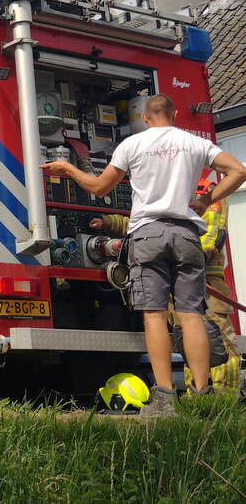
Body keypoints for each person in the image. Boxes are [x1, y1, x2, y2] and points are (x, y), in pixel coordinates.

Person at [42, 94, 246, 417]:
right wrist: (206, 199)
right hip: (186, 235)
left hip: (148, 235)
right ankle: (202, 394)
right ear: (174, 115)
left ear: (146, 119)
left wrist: (67, 167)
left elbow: (99, 188)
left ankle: (165, 399)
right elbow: (238, 171)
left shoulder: (132, 145)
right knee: (191, 316)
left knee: (154, 316)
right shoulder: (195, 143)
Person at [91, 176, 241, 393]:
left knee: (219, 347)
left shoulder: (205, 191)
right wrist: (108, 222)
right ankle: (196, 400)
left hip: (206, 286)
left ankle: (224, 400)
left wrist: (187, 255)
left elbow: (212, 233)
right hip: (178, 286)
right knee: (189, 348)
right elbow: (142, 224)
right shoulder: (166, 189)